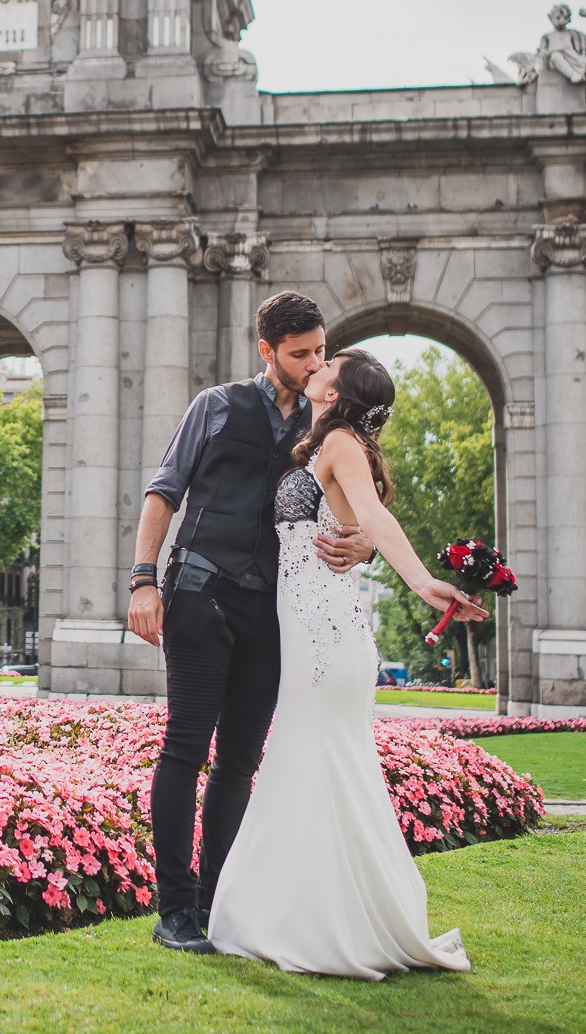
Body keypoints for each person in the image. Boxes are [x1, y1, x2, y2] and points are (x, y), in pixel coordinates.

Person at [208, 347, 489, 976]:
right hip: (314, 629)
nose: (317, 366)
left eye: (329, 365)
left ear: (336, 394)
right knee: (320, 769)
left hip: (325, 633)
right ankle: (318, 914)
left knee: (314, 765)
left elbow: (377, 520)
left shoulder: (338, 444)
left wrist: (424, 584)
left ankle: (314, 923)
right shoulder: (323, 442)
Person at [128, 291, 376, 954]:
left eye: (320, 350)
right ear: (267, 350)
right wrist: (144, 580)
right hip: (202, 591)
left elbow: (361, 503)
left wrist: (366, 545)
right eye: (300, 353)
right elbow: (164, 491)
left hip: (273, 613)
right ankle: (175, 910)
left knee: (239, 761)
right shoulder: (215, 406)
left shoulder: (326, 428)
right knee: (186, 748)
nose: (314, 362)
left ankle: (218, 902)